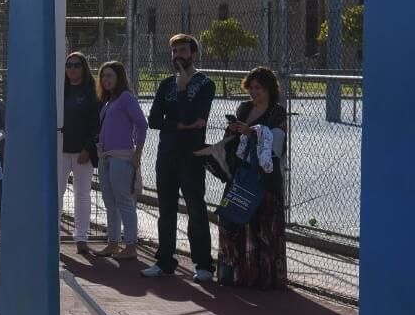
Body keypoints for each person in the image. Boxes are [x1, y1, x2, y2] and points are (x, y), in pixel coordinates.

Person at [144, 33, 217, 282]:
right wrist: (179, 125)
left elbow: (194, 118)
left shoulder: (205, 84)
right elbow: (154, 120)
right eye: (174, 51)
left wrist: (184, 90)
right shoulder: (166, 84)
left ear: (193, 53)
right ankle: (164, 261)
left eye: (183, 51)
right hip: (167, 155)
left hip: (191, 156)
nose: (178, 56)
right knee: (166, 209)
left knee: (196, 209)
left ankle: (204, 265)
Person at [214, 66, 288, 289]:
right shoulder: (244, 108)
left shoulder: (277, 112)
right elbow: (234, 141)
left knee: (263, 225)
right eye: (252, 87)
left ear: (269, 90)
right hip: (240, 173)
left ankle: (264, 277)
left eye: (259, 88)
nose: (254, 92)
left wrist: (253, 132)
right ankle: (235, 273)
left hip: (264, 178)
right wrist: (233, 130)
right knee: (230, 218)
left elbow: (278, 142)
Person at [95, 60, 147, 260]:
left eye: (110, 76)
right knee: (110, 202)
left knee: (124, 201)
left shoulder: (126, 98)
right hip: (105, 157)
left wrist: (137, 154)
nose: (105, 80)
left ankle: (131, 245)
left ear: (119, 78)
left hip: (121, 157)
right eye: (103, 76)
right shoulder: (109, 101)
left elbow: (142, 124)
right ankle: (113, 243)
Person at [60, 52, 100, 254]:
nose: (72, 68)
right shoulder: (59, 90)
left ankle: (81, 237)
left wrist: (88, 148)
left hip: (82, 153)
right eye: (69, 65)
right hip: (60, 152)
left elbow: (96, 125)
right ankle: (53, 236)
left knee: (82, 194)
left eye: (77, 65)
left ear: (84, 68)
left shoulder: (92, 92)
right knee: (56, 193)